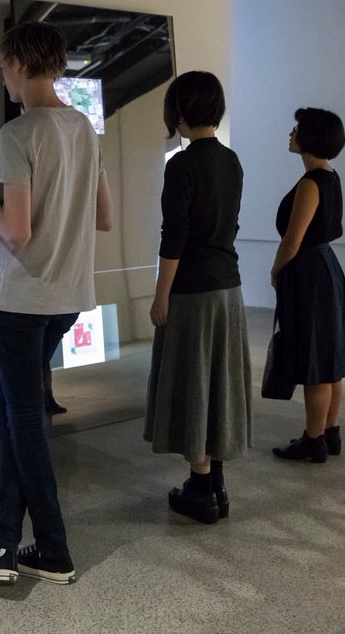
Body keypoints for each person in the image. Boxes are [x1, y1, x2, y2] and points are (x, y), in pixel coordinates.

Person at [0, 22, 112, 587]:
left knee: (24, 424)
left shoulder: (17, 134)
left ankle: (52, 550)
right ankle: (3, 540)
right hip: (67, 297)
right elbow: (104, 217)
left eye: (3, 68)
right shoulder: (83, 128)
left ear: (18, 63)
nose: (3, 79)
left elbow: (16, 231)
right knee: (16, 410)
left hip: (19, 299)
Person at [144, 70, 251, 525]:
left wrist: (160, 295)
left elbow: (175, 237)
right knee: (218, 382)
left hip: (193, 293)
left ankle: (202, 488)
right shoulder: (231, 161)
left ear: (180, 112)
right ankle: (216, 485)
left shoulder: (181, 165)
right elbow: (230, 225)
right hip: (229, 290)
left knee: (195, 383)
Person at [270, 108, 345, 463]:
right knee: (329, 357)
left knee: (315, 361)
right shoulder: (331, 177)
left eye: (297, 129)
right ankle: (330, 432)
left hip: (309, 274)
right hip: (326, 268)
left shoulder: (310, 183)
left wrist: (276, 270)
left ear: (311, 136)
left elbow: (293, 239)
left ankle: (313, 439)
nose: (292, 133)